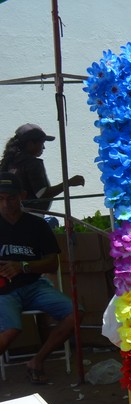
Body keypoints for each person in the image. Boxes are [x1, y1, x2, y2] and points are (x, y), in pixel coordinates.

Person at [0, 173, 77, 384]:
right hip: (3, 291)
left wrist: (23, 267)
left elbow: (52, 263)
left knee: (75, 314)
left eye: (11, 198)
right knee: (10, 330)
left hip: (35, 285)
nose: (6, 203)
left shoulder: (37, 225)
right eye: (1, 198)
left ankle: (37, 361)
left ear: (22, 196)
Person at [0, 123, 85, 214]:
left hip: (11, 214)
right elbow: (42, 194)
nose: (43, 147)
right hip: (31, 215)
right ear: (30, 144)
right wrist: (69, 183)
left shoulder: (10, 161)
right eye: (42, 143)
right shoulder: (33, 163)